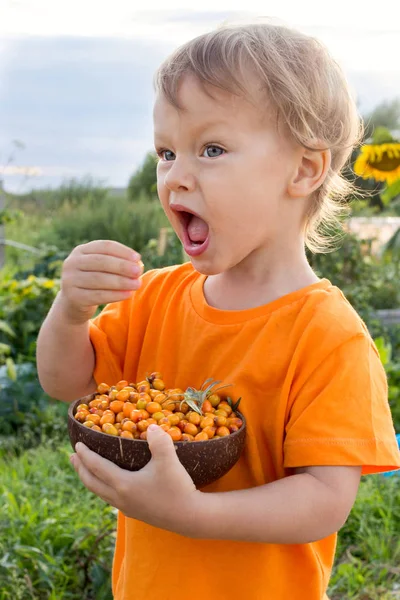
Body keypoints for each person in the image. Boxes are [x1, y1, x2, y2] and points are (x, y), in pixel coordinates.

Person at [36, 21, 400, 600]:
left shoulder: (328, 336)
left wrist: (195, 515)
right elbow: (66, 382)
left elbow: (326, 499)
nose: (177, 176)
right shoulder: (154, 297)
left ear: (304, 170)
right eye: (165, 152)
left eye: (212, 149)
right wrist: (71, 310)